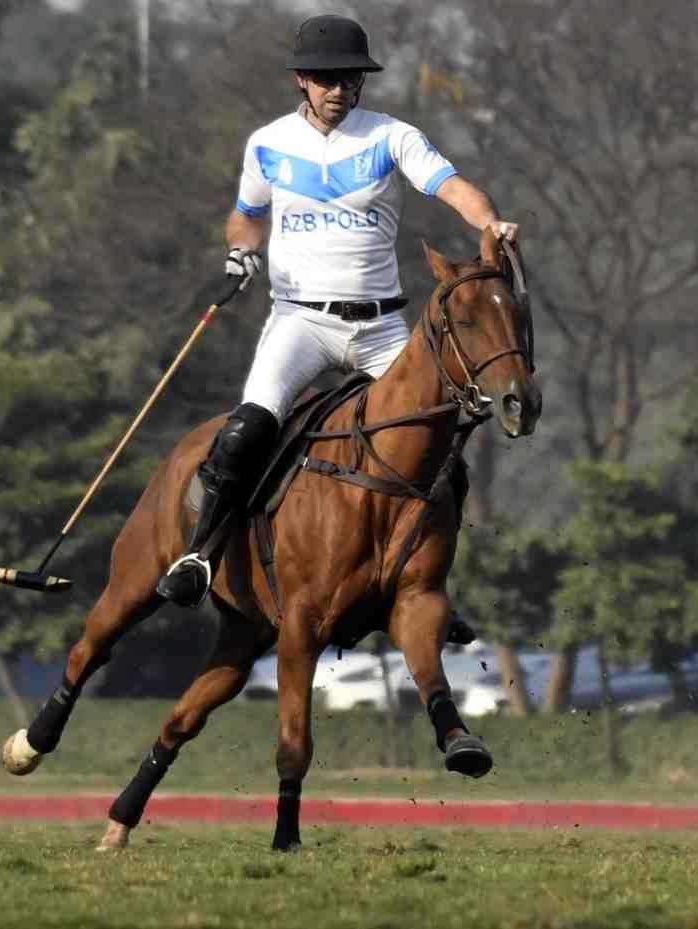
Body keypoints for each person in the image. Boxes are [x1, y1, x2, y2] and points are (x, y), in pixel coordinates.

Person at [157, 14, 518, 608]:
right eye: (325, 79)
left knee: (439, 442)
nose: (337, 90)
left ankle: (425, 580)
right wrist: (241, 252)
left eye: (349, 79)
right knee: (248, 429)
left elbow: (451, 186)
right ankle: (200, 555)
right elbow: (248, 213)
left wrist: (489, 221)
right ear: (302, 79)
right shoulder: (268, 143)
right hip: (302, 322)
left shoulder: (391, 136)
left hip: (379, 326)